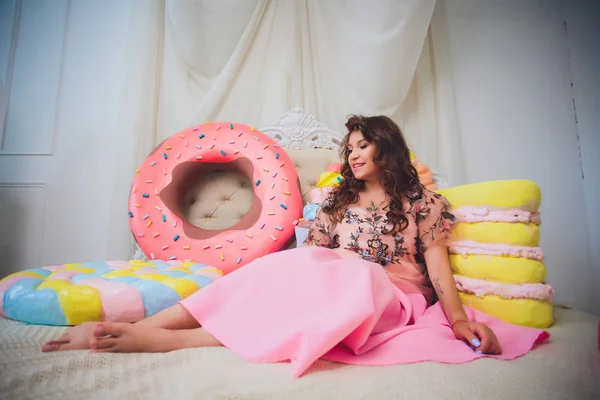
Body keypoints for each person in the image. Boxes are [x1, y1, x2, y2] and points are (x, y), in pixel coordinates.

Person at [43, 115, 548, 377]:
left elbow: (437, 270)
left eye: (362, 145)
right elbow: (315, 259)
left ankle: (171, 339)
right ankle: (141, 326)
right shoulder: (332, 202)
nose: (352, 154)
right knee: (276, 272)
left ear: (386, 147)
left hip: (390, 298)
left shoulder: (421, 202)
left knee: (350, 273)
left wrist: (459, 321)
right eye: (348, 148)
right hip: (332, 277)